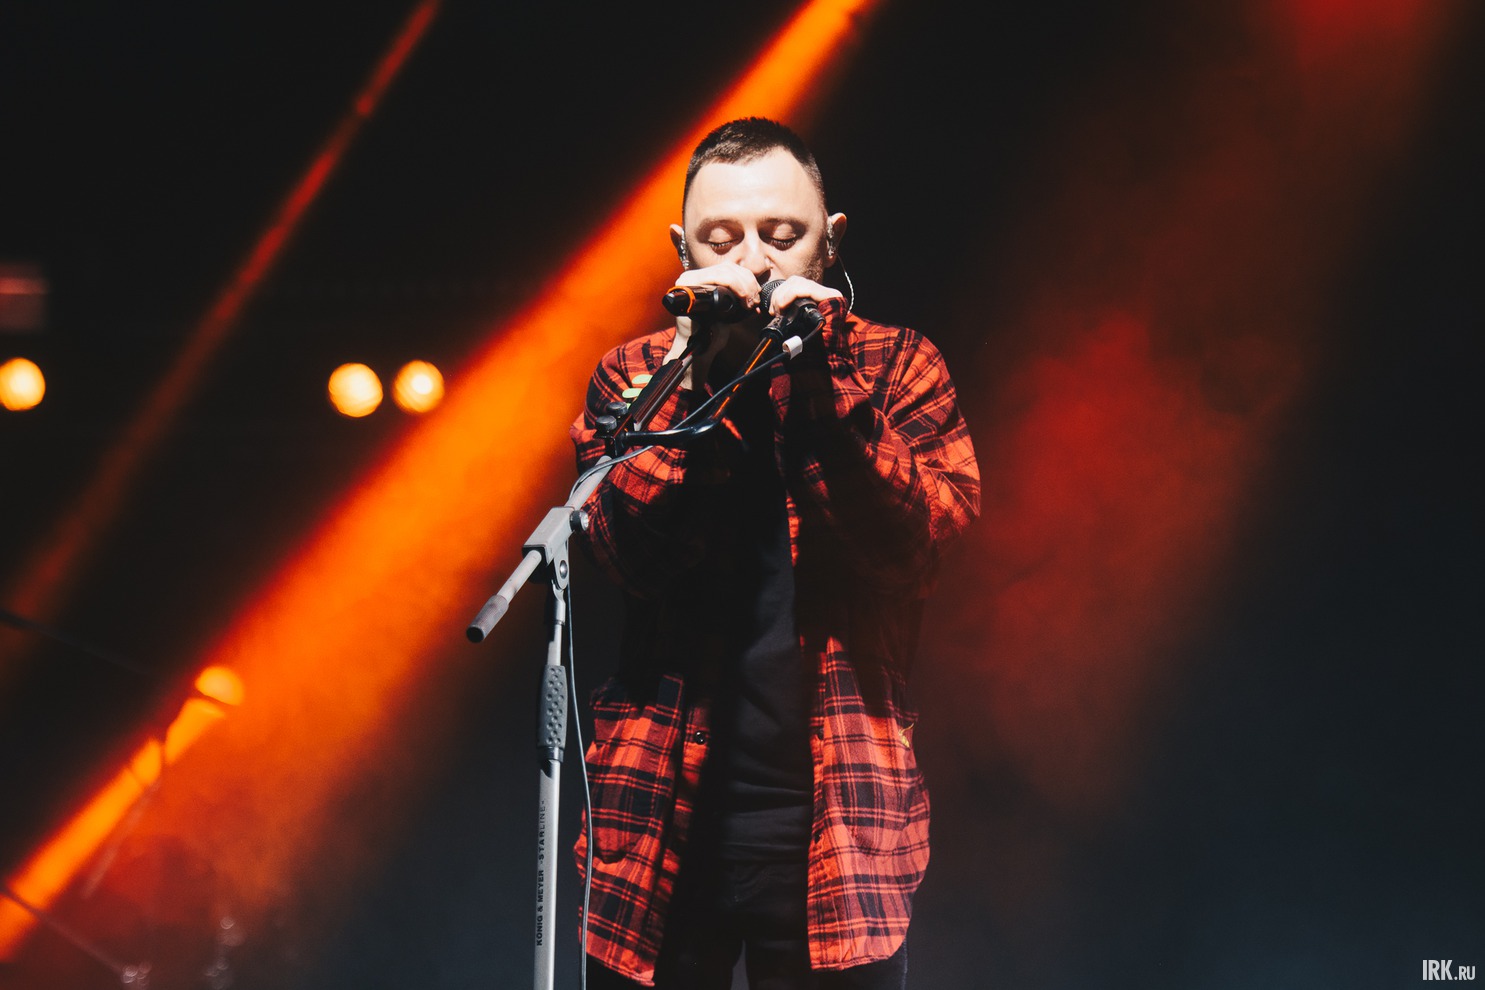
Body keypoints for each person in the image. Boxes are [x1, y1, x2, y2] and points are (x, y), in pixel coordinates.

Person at [570, 117, 980, 989]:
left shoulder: (897, 367)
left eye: (780, 234)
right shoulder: (636, 378)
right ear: (681, 250)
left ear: (830, 242)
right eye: (721, 238)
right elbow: (627, 557)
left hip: (842, 834)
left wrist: (821, 389)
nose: (752, 262)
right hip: (658, 831)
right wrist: (695, 380)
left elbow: (917, 549)